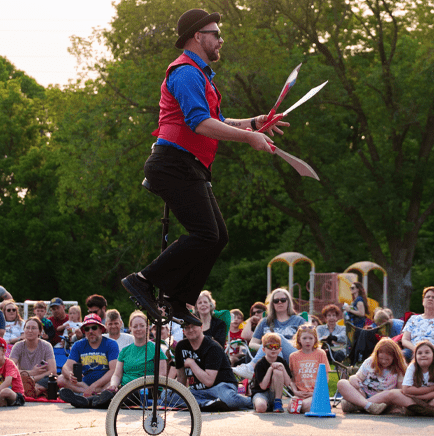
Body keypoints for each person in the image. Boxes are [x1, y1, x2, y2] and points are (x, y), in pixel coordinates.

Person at [120, 8, 286, 327]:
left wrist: (254, 124)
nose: (221, 40)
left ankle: (177, 298)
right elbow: (200, 124)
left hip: (190, 166)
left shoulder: (200, 75)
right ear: (198, 37)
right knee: (205, 233)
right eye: (216, 35)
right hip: (172, 164)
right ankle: (142, 280)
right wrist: (249, 140)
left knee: (218, 236)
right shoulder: (184, 72)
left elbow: (218, 121)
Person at [175, 322, 252, 411]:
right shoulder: (180, 346)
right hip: (197, 391)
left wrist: (192, 364)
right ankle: (208, 404)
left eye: (193, 326)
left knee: (229, 399)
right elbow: (181, 378)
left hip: (221, 387)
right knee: (167, 395)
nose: (190, 330)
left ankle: (251, 400)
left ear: (201, 327)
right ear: (183, 331)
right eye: (187, 328)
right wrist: (178, 394)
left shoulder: (212, 347)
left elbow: (208, 381)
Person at [98, 312, 168, 407]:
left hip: (147, 390)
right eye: (135, 326)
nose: (138, 329)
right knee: (113, 394)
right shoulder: (125, 350)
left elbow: (162, 376)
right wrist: (113, 385)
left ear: (147, 327)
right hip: (125, 389)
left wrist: (140, 386)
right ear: (130, 328)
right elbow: (117, 375)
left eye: (141, 326)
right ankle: (88, 401)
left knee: (119, 397)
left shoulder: (156, 349)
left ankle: (95, 401)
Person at [233, 288, 305, 379]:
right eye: (276, 301)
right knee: (273, 344)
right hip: (273, 357)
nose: (280, 302)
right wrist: (269, 348)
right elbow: (252, 343)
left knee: (275, 337)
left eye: (283, 300)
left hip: (293, 356)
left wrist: (275, 344)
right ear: (272, 304)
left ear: (288, 302)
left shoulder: (299, 321)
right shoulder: (265, 322)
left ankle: (251, 368)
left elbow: (306, 343)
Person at [58, 314, 119, 408]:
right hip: (84, 385)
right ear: (84, 332)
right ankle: (95, 398)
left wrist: (94, 386)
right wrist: (70, 374)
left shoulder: (111, 344)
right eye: (87, 329)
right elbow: (66, 367)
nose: (90, 331)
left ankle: (84, 399)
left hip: (103, 384)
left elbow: (113, 370)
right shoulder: (78, 345)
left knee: (115, 381)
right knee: (61, 379)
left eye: (94, 328)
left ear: (101, 329)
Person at [337, 338, 405, 415]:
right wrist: (353, 378)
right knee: (342, 383)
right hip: (363, 394)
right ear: (377, 355)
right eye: (381, 358)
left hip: (382, 398)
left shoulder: (398, 368)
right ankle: (368, 406)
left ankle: (358, 405)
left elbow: (400, 389)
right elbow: (358, 378)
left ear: (394, 357)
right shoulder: (370, 361)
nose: (383, 361)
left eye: (387, 359)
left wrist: (399, 405)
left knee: (391, 393)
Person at [388, 340, 434, 417]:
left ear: (433, 355)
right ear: (415, 356)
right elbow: (405, 389)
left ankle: (417, 410)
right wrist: (431, 388)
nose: (423, 355)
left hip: (433, 399)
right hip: (414, 399)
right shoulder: (412, 366)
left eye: (427, 352)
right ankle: (430, 411)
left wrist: (419, 397)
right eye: (420, 353)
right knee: (392, 393)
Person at [401, 286, 434, 361]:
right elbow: (405, 340)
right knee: (400, 355)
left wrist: (427, 349)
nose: (430, 299)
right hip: (413, 350)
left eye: (433, 297)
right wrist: (416, 349)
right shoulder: (413, 319)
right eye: (428, 297)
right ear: (423, 301)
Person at [288, 324, 330, 413]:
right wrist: (295, 392)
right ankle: (299, 406)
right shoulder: (293, 356)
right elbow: (291, 379)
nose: (308, 341)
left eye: (311, 338)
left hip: (315, 393)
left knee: (303, 405)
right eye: (304, 338)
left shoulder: (321, 353)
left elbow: (326, 377)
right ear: (299, 339)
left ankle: (301, 407)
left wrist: (317, 391)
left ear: (315, 339)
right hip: (300, 394)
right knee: (292, 404)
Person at [10, 317, 56, 397]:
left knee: (55, 379)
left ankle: (33, 390)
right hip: (24, 378)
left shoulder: (46, 346)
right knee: (11, 378)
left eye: (34, 328)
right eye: (27, 328)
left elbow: (52, 371)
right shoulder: (18, 346)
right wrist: (31, 373)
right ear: (24, 330)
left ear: (40, 332)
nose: (30, 331)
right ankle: (36, 391)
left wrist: (33, 378)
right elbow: (10, 369)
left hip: (40, 379)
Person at [251, 332, 292, 413]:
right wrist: (270, 369)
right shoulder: (260, 364)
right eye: (270, 346)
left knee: (278, 371)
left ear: (280, 349)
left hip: (274, 393)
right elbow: (263, 386)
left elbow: (287, 383)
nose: (273, 349)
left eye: (276, 347)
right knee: (261, 408)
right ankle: (263, 404)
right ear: (263, 349)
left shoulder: (281, 361)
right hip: (261, 393)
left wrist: (283, 368)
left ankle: (277, 402)